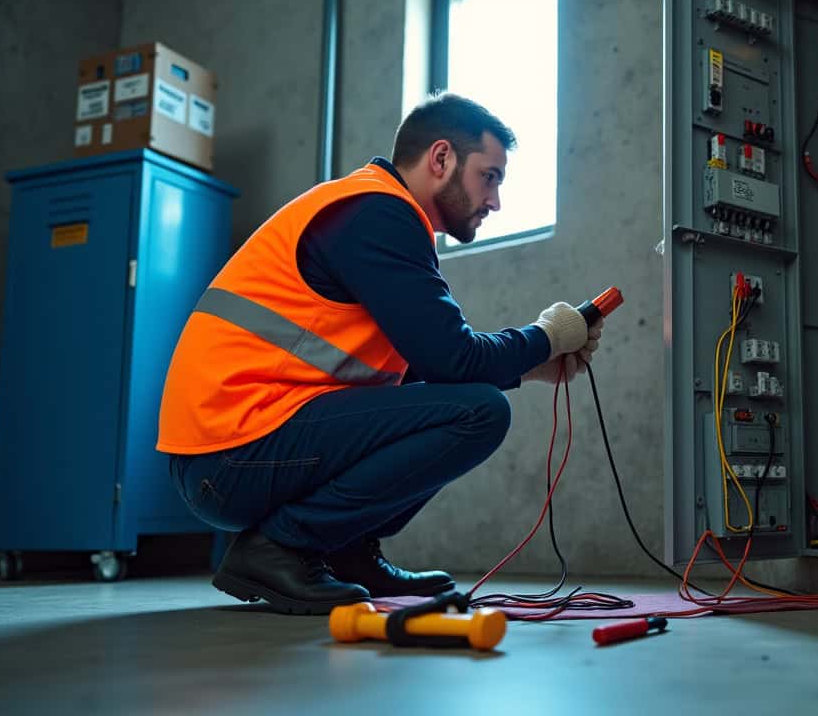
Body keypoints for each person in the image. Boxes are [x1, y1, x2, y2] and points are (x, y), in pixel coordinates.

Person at [157, 93, 602, 614]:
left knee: (459, 401)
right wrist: (548, 334)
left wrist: (532, 370)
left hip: (235, 446)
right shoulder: (377, 214)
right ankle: (280, 547)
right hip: (231, 452)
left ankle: (346, 551)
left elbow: (424, 370)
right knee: (479, 412)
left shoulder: (376, 214)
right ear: (441, 160)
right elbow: (454, 360)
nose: (496, 201)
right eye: (491, 176)